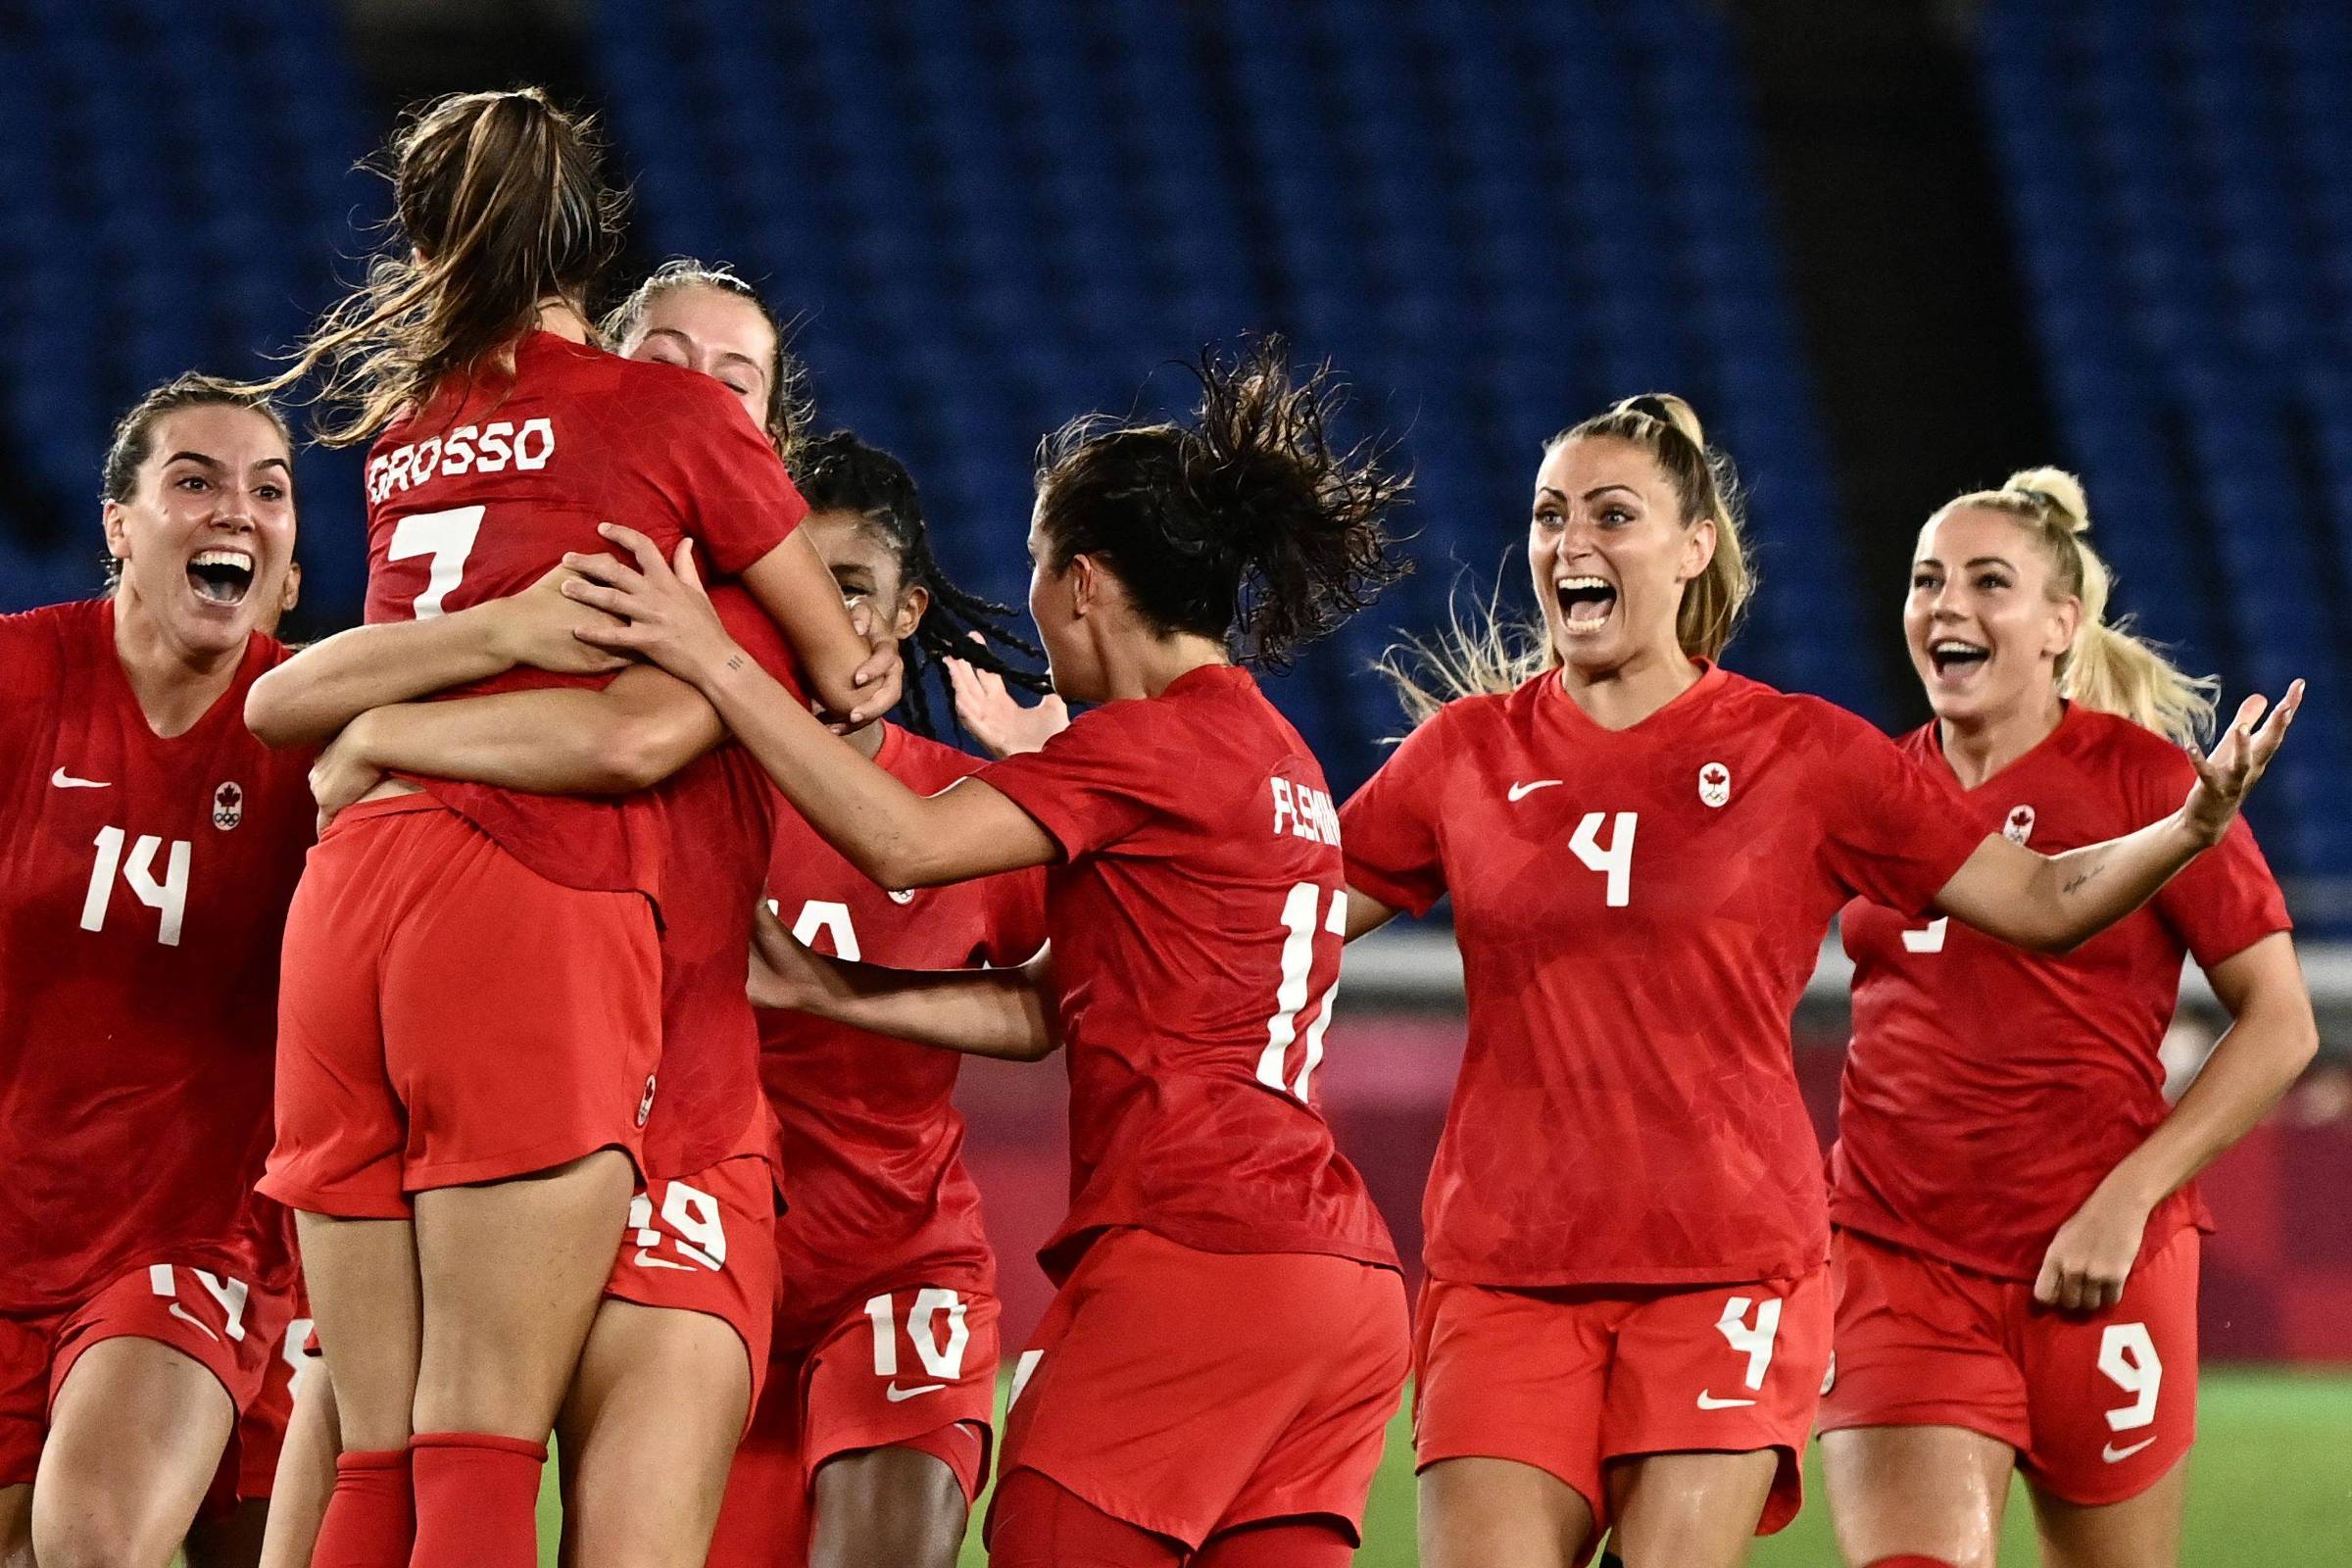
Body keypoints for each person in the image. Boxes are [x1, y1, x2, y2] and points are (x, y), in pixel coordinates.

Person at [1333, 395, 2297, 1568]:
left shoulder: (1809, 756)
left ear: (1693, 550)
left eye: (1611, 514)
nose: (1568, 541)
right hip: (1539, 1264)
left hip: (1734, 1266)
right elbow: (1284, 920)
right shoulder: (1467, 754)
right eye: (1548, 515)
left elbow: (2048, 900)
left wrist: (2187, 827)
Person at [558, 339, 1415, 1568]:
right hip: (1341, 1287)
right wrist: (837, 987)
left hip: (1194, 1258)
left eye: (1032, 572)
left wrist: (709, 655)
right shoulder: (1273, 757)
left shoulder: (1152, 750)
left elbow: (895, 831)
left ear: (1082, 584)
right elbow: (1046, 1010)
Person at [238, 90, 889, 1568]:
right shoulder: (681, 447)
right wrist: (837, 665)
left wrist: (387, 731)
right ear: (605, 285)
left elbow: (297, 707)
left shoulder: (412, 431)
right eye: (687, 355)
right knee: (474, 1446)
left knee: (370, 1443)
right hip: (533, 916)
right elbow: (757, 694)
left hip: (349, 905)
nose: (710, 385)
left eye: (742, 370)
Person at [1816, 470, 2318, 1568]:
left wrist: (2128, 1198)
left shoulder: (2152, 784)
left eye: (1987, 582)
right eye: (1926, 580)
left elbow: (2282, 1023)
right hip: (1900, 1255)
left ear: (2060, 625)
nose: (1946, 605)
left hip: (2096, 1261)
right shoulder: (1868, 790)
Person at [700, 430, 1049, 1568]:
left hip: (898, 1268)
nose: (813, 615)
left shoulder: (970, 813)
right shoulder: (663, 783)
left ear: (904, 618)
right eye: (782, 580)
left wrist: (1079, 761)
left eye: (848, 588)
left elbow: (1090, 993)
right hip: (696, 1274)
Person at [0, 375, 309, 1568]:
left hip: (191, 1238)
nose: (237, 508)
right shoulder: (23, 682)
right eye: (196, 480)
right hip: (20, 1215)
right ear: (119, 523)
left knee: (92, 1543)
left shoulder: (317, 731)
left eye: (269, 490)